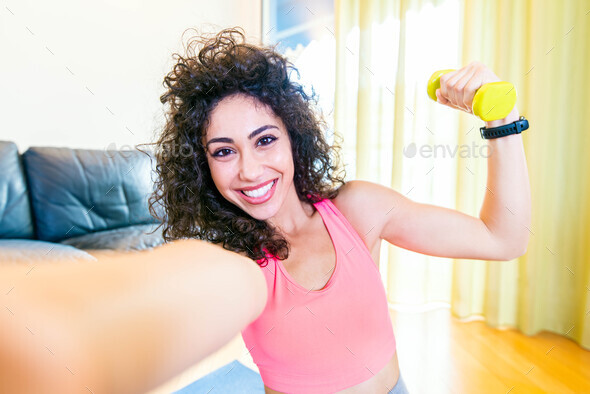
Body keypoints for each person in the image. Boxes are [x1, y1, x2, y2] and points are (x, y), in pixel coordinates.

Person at [0, 26, 530, 394]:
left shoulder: (359, 209)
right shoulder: (235, 259)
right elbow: (113, 320)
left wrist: (500, 123)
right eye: (224, 151)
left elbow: (501, 239)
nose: (250, 171)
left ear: (294, 140)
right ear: (202, 166)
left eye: (264, 140)